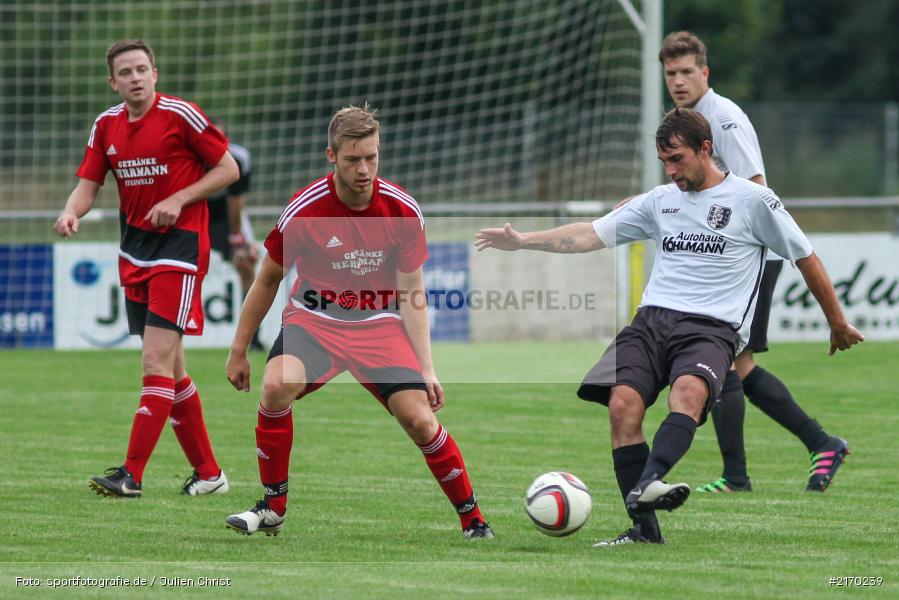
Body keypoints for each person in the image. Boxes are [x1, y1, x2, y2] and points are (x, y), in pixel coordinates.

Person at [475, 108, 862, 546]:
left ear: (706, 149)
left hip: (713, 329)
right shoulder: (661, 200)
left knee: (689, 395)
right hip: (651, 321)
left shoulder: (755, 201)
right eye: (664, 161)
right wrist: (525, 241)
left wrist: (837, 322)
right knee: (622, 406)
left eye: (677, 158)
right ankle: (645, 531)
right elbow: (590, 234)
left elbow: (804, 255)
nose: (671, 170)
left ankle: (650, 482)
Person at [223, 105, 493, 539]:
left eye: (371, 157)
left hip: (378, 325)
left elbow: (411, 293)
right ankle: (273, 507)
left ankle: (473, 519)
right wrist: (239, 349)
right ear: (331, 155)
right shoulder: (304, 210)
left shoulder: (402, 210)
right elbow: (267, 279)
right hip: (314, 322)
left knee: (421, 421)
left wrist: (426, 368)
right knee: (275, 387)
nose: (364, 168)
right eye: (353, 159)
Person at [659, 31, 850, 493]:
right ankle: (811, 446)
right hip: (727, 259)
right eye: (671, 73)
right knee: (733, 364)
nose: (679, 81)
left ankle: (750, 471)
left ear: (705, 73)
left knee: (725, 362)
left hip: (746, 257)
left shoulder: (722, 119)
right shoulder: (689, 119)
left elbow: (757, 188)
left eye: (687, 72)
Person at [54, 40, 238, 498]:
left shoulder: (181, 116)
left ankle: (131, 475)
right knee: (172, 371)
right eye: (125, 72)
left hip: (178, 249)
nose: (135, 78)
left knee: (154, 360)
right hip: (134, 252)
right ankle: (210, 475)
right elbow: (88, 183)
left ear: (155, 72)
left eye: (142, 69)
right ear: (113, 82)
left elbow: (228, 169)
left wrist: (179, 198)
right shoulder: (106, 126)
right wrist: (71, 211)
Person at [206, 135, 265, 351]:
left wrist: (237, 237)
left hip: (227, 220)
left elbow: (236, 201)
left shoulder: (238, 159)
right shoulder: (188, 156)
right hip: (194, 215)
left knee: (247, 264)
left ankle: (253, 338)